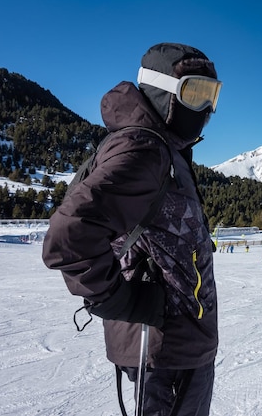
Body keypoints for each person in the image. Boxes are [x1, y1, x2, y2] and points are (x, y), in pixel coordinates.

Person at [42, 43, 221, 416]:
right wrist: (117, 299)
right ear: (163, 92)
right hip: (161, 351)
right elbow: (68, 236)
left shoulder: (167, 149)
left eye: (211, 95)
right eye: (194, 93)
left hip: (180, 345)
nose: (204, 109)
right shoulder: (145, 150)